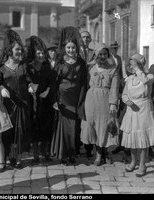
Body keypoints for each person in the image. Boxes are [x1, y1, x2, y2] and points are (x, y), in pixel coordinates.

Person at [50, 27, 87, 165]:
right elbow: (54, 82)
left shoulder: (81, 63)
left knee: (75, 126)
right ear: (64, 48)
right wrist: (55, 100)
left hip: (76, 96)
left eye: (73, 47)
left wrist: (82, 99)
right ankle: (63, 154)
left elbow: (84, 82)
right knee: (64, 125)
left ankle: (73, 153)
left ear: (76, 48)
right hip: (62, 97)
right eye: (68, 48)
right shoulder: (60, 63)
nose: (71, 50)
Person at [0, 29, 31, 168]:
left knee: (20, 130)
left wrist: (31, 87)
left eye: (21, 50)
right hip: (8, 106)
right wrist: (1, 89)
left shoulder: (24, 66)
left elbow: (29, 81)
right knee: (8, 131)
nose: (20, 52)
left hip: (22, 103)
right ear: (10, 50)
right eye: (17, 49)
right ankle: (5, 157)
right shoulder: (1, 69)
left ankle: (17, 157)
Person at [80, 43, 120, 166]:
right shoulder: (89, 68)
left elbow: (114, 88)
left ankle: (104, 153)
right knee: (92, 125)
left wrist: (113, 103)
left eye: (105, 54)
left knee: (105, 125)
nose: (102, 56)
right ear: (96, 54)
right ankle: (97, 151)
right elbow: (83, 84)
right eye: (100, 54)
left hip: (106, 99)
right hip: (91, 98)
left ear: (108, 55)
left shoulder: (113, 69)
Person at [121, 53, 154, 177]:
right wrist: (127, 101)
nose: (132, 66)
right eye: (131, 64)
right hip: (132, 109)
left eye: (134, 63)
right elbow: (125, 94)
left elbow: (145, 80)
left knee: (142, 138)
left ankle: (142, 165)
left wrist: (139, 70)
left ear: (140, 64)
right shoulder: (129, 79)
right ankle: (133, 162)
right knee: (132, 137)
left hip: (144, 109)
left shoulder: (149, 76)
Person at [25, 35, 55, 164]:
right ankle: (36, 155)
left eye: (43, 53)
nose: (41, 55)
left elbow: (52, 83)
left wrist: (48, 91)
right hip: (33, 102)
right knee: (35, 128)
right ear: (34, 54)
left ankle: (46, 153)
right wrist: (30, 87)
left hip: (46, 101)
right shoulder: (29, 67)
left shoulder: (47, 67)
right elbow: (26, 81)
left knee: (46, 127)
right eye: (39, 53)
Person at [80, 30, 95, 158]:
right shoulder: (74, 51)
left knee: (89, 116)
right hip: (77, 88)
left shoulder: (93, 53)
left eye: (87, 37)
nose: (85, 39)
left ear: (90, 39)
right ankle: (77, 144)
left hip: (91, 87)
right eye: (83, 37)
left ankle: (89, 147)